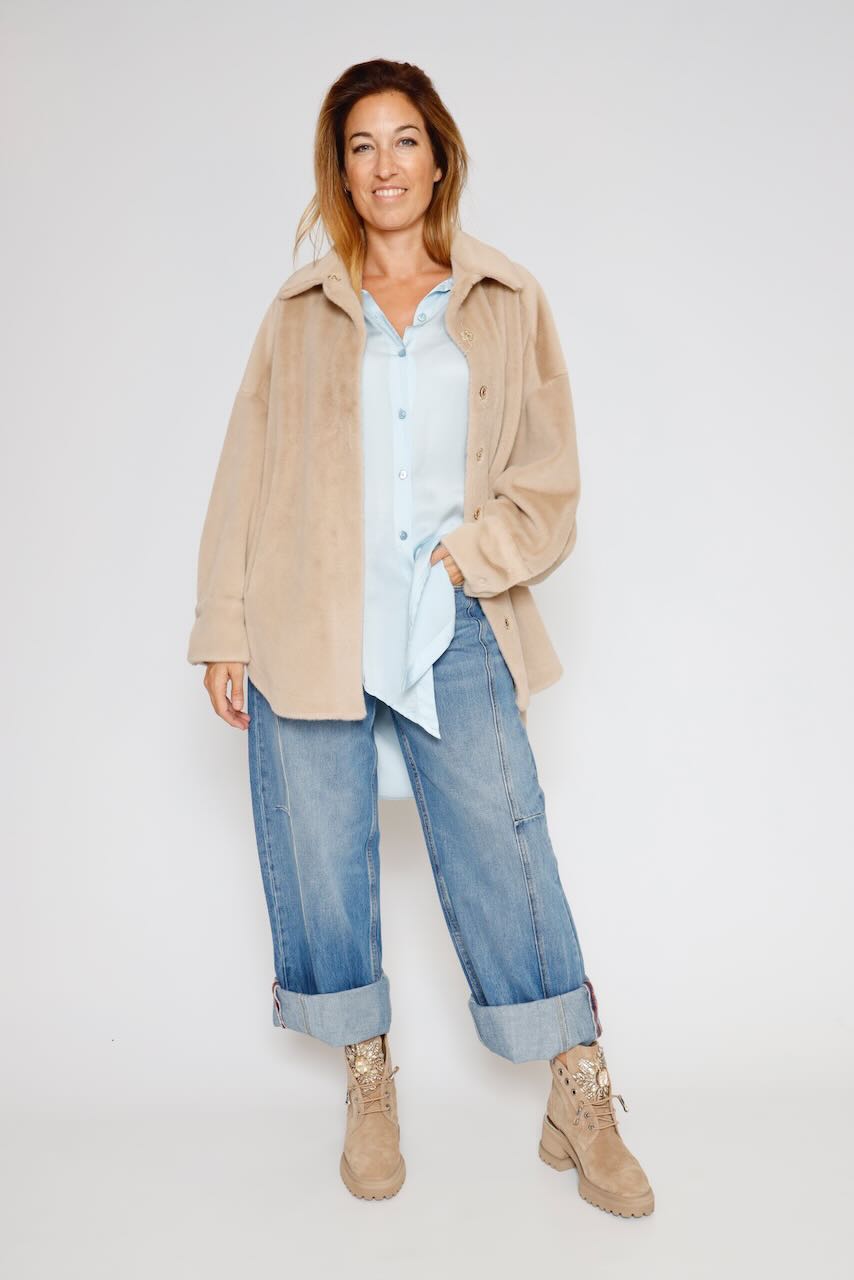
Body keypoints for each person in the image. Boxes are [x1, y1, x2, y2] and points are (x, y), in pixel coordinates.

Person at [187, 58, 654, 1216]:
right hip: (310, 615)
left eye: (403, 141)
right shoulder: (297, 312)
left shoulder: (505, 299)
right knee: (319, 850)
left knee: (505, 843)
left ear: (438, 160)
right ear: (339, 171)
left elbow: (548, 480)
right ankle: (368, 1075)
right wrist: (223, 626)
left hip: (452, 618)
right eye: (360, 145)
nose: (383, 164)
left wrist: (470, 556)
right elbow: (245, 470)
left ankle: (578, 1085)